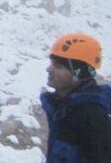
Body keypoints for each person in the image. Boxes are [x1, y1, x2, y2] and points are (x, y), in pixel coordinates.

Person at [41, 33, 111, 163]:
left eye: (58, 66)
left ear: (78, 74)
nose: (49, 69)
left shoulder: (92, 115)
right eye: (52, 64)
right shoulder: (63, 108)